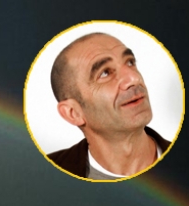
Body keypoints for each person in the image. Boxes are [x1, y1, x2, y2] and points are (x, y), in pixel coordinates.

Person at [47, 32, 171, 180]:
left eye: (130, 62)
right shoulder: (43, 176)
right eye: (105, 73)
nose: (133, 78)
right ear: (73, 113)